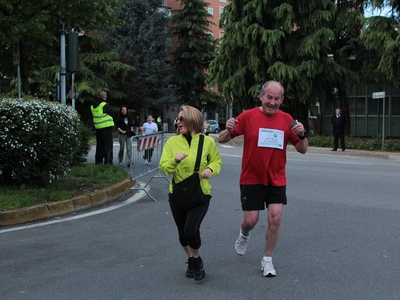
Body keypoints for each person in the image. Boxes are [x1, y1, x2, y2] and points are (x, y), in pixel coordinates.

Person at [218, 80, 308, 277]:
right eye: (269, 97)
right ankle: (244, 233)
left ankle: (267, 259)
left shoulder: (287, 120)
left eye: (277, 99)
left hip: (276, 178)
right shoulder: (248, 116)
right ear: (261, 96)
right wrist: (229, 128)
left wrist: (302, 135)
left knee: (275, 218)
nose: (272, 102)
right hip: (251, 177)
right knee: (251, 220)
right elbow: (221, 139)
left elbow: (303, 150)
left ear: (282, 100)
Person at [159, 105, 222, 281]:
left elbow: (217, 161)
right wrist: (174, 160)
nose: (178, 122)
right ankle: (192, 259)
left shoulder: (206, 142)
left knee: (191, 230)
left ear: (192, 120)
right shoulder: (172, 142)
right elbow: (164, 168)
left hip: (200, 194)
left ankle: (197, 259)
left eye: (181, 119)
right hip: (177, 194)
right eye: (177, 119)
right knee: (182, 233)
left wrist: (210, 169)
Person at [91, 91, 114, 164]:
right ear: (105, 97)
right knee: (108, 146)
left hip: (98, 128)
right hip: (106, 127)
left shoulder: (93, 106)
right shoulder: (104, 105)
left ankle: (98, 162)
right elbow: (112, 114)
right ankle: (108, 162)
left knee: (99, 146)